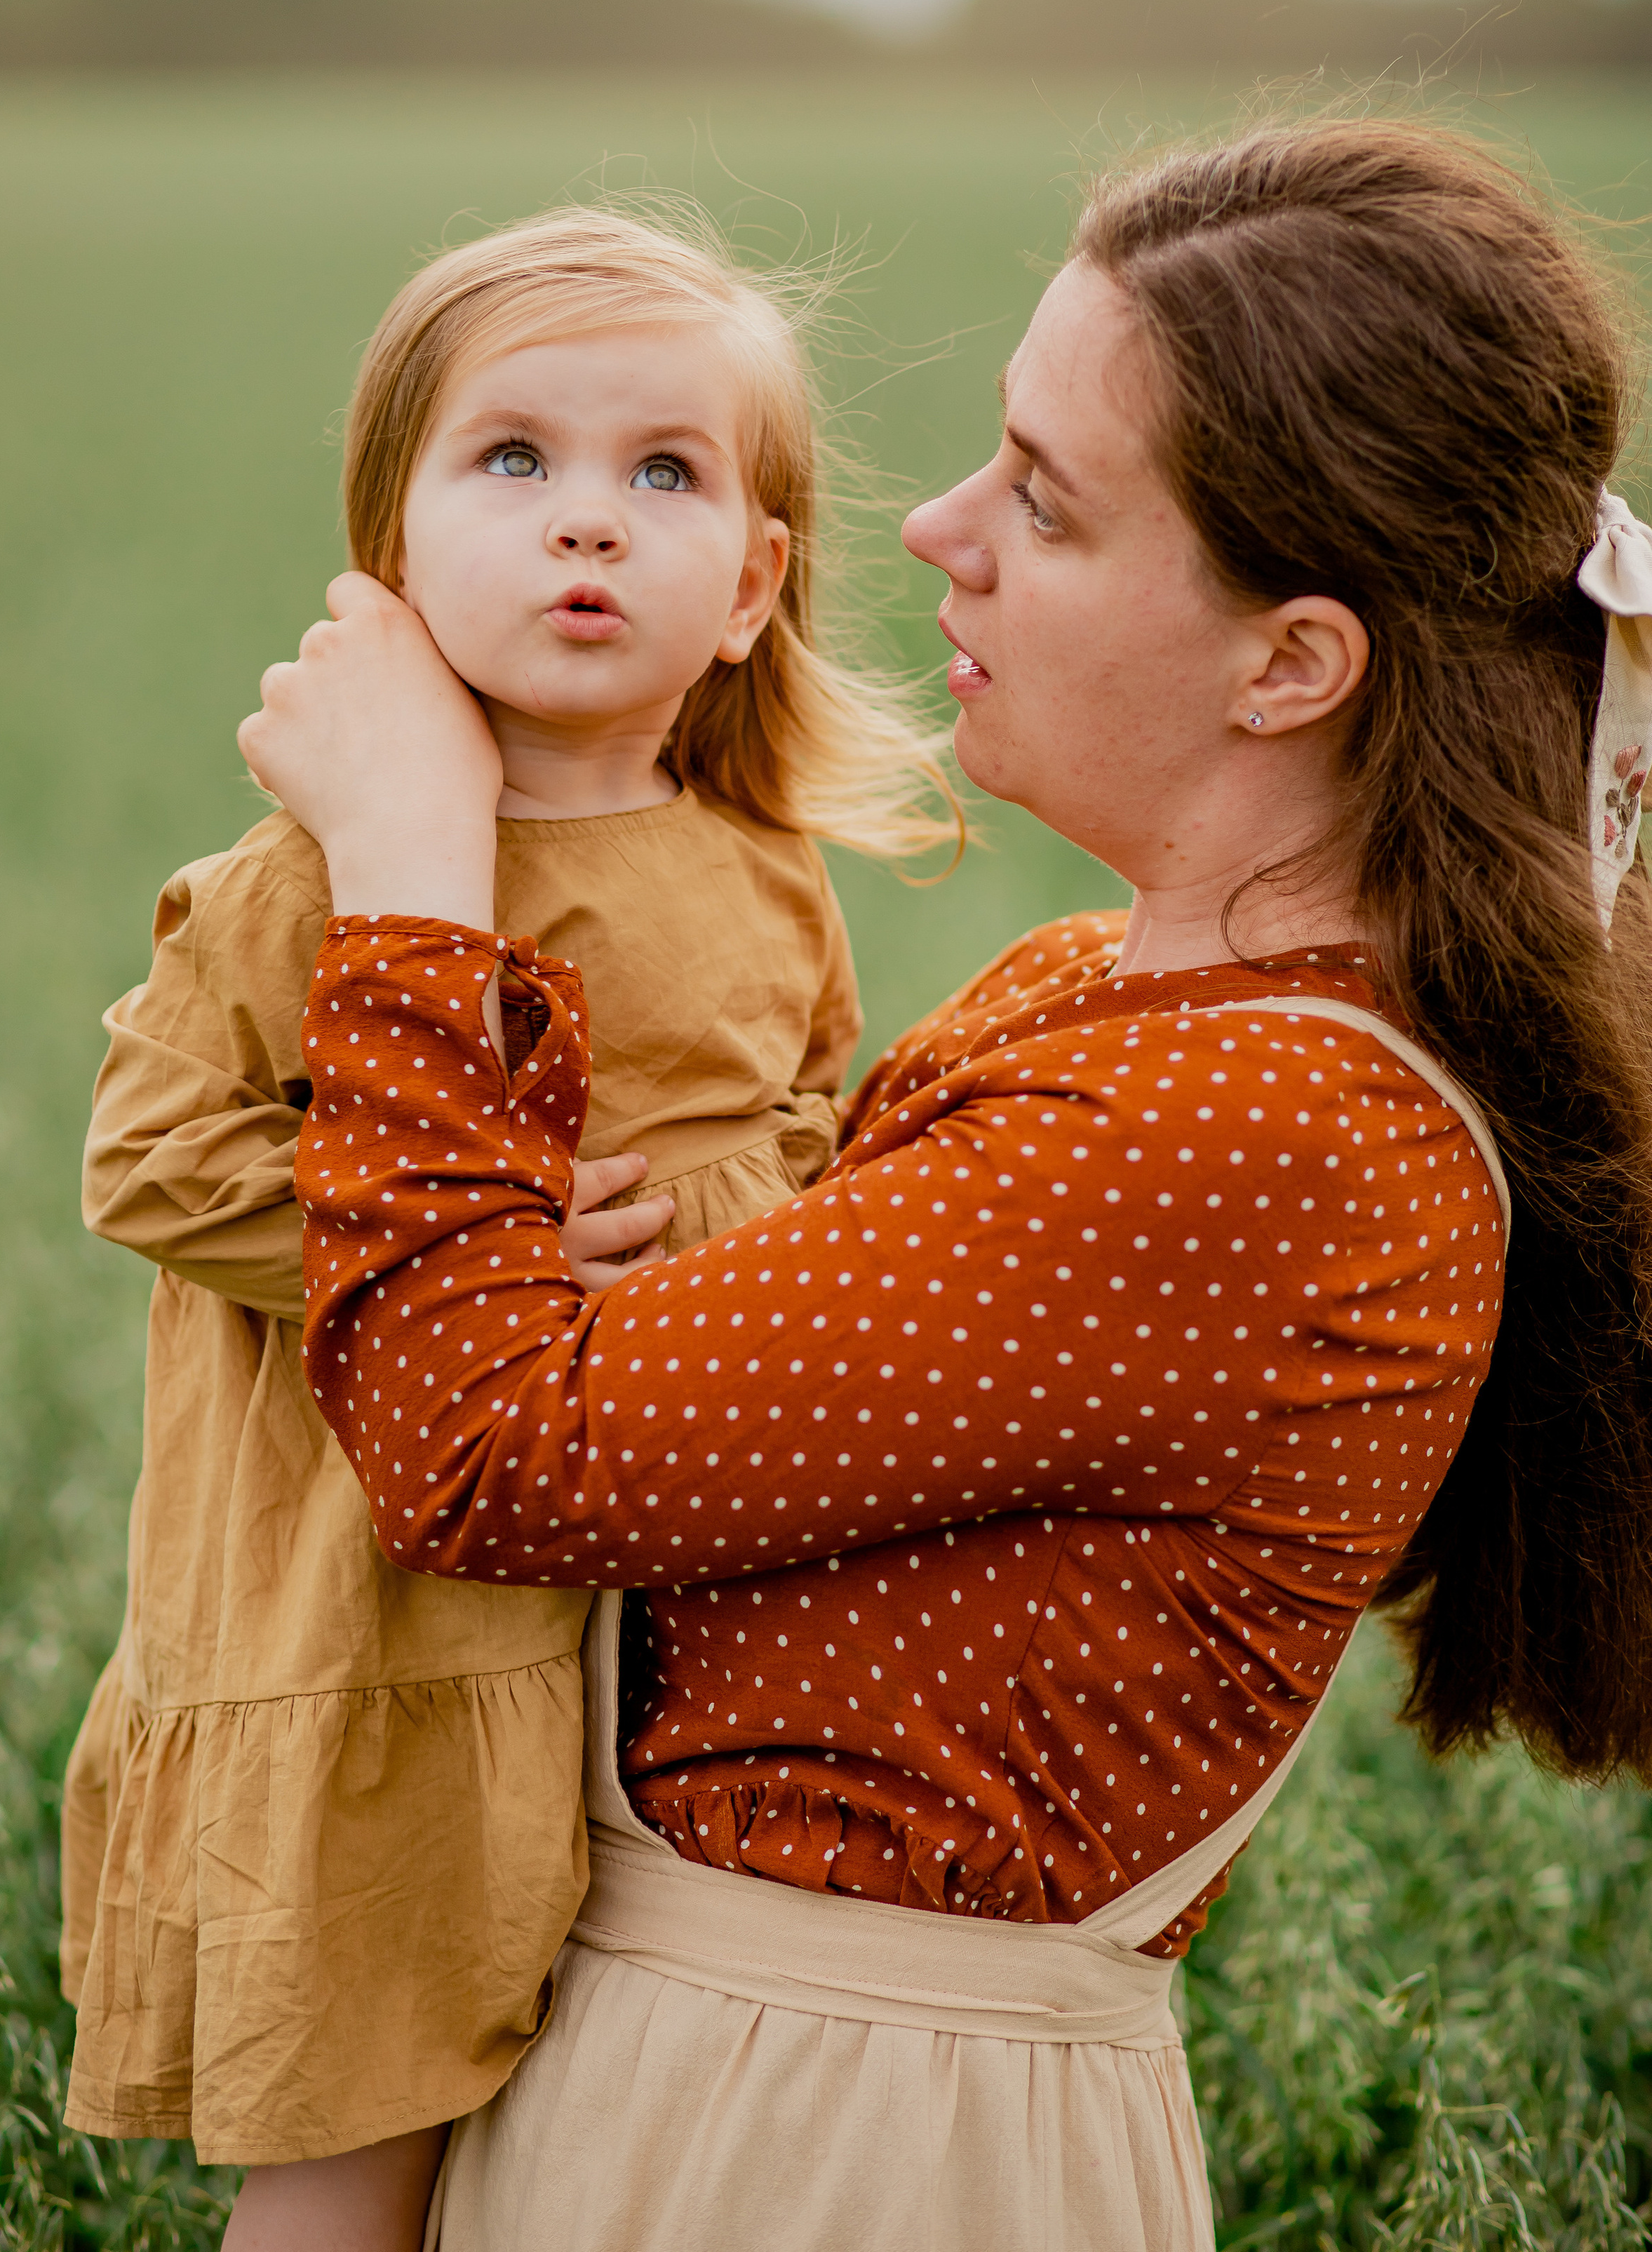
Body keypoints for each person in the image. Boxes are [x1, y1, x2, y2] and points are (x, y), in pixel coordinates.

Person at [239, 120, 1652, 2252]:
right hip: (710, 2075)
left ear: (1294, 662)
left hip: (836, 2152)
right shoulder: (1108, 994)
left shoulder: (1268, 1137)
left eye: (1046, 502)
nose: (935, 528)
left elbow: (493, 1451)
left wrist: (420, 890)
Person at [59, 207, 955, 2250]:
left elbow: (803, 1114)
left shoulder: (760, 868)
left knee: (601, 2115)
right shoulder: (309, 882)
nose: (590, 524)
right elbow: (151, 1156)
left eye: (665, 474)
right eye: (513, 461)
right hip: (393, 1609)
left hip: (668, 1575)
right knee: (366, 2135)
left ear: (752, 587)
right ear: (391, 559)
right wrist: (485, 1236)